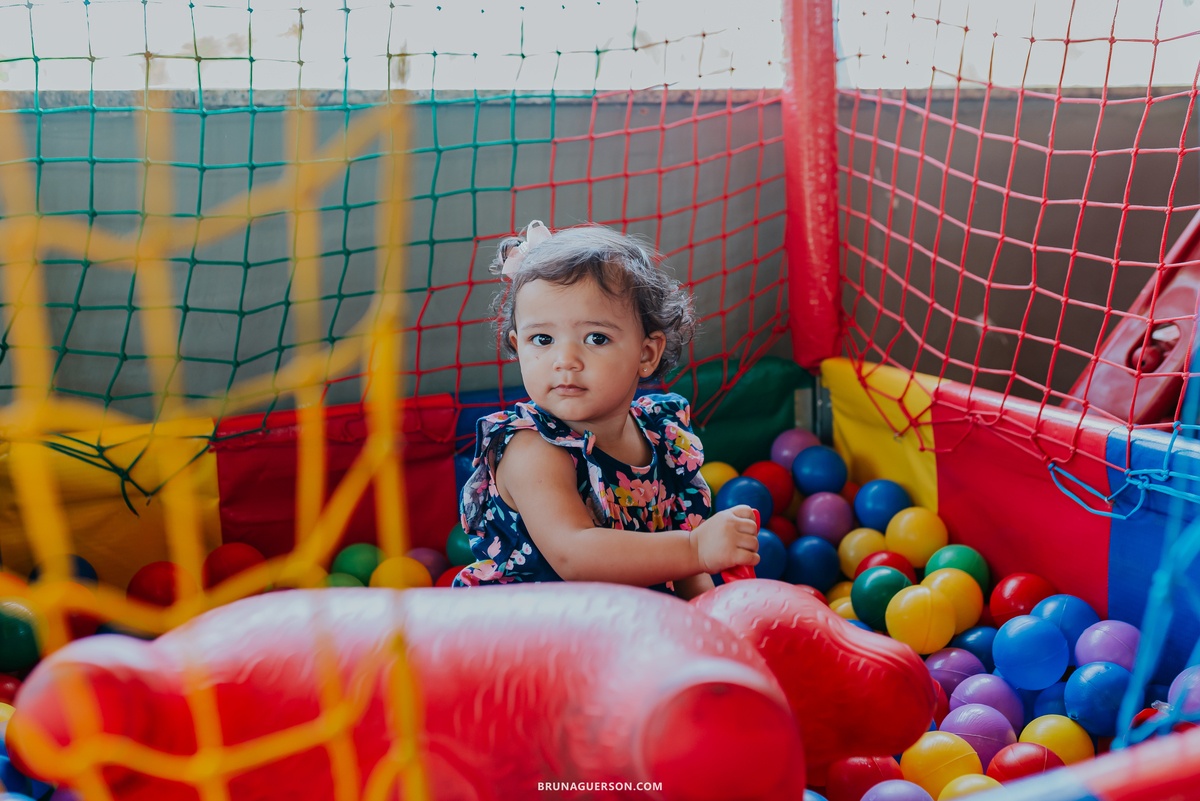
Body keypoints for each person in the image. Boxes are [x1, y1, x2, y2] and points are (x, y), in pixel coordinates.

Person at [452, 221, 759, 598]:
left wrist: (708, 611)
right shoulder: (532, 449)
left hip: (626, 626)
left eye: (596, 338)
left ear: (646, 354)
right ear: (518, 344)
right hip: (533, 631)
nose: (565, 360)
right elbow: (574, 554)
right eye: (542, 339)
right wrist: (696, 549)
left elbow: (685, 568)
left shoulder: (662, 436)